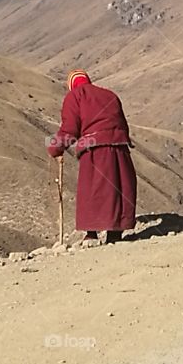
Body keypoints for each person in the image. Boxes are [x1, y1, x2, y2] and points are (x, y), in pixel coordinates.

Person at [47, 70, 137, 243]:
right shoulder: (110, 95)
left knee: (92, 190)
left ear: (72, 84)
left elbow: (70, 129)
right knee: (117, 189)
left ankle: (91, 234)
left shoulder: (75, 96)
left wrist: (55, 147)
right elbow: (123, 124)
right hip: (120, 148)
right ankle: (115, 234)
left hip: (95, 149)